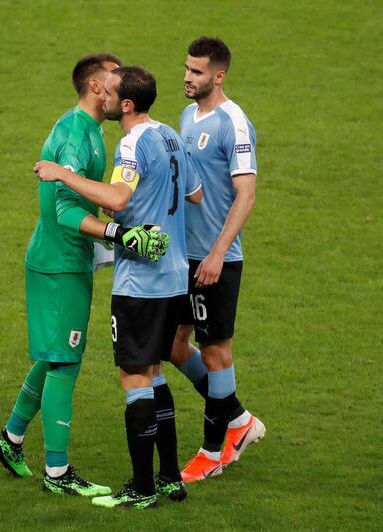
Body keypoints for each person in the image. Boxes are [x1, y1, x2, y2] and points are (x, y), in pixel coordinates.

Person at [0, 54, 171, 498]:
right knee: (65, 361)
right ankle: (57, 471)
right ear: (95, 85)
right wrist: (119, 233)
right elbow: (65, 208)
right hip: (60, 261)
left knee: (53, 354)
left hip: (67, 258)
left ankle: (10, 440)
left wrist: (104, 211)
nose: (121, 85)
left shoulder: (89, 131)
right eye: (115, 78)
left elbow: (80, 198)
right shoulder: (75, 134)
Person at [35, 65, 202, 509]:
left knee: (134, 379)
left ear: (126, 104)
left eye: (111, 95)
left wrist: (62, 174)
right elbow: (196, 194)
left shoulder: (131, 143)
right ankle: (169, 477)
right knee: (156, 373)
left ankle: (142, 487)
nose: (103, 99)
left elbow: (118, 199)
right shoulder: (169, 135)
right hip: (174, 274)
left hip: (140, 282)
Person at [170, 36, 265, 483]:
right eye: (187, 69)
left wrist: (218, 253)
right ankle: (239, 421)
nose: (188, 77)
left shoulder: (235, 123)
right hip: (183, 255)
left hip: (215, 258)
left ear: (219, 75)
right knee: (172, 345)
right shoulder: (189, 115)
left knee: (215, 352)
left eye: (197, 72)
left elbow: (245, 194)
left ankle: (213, 452)